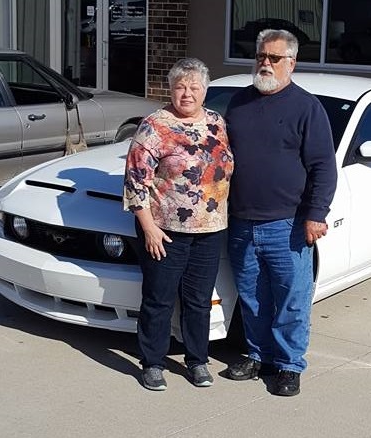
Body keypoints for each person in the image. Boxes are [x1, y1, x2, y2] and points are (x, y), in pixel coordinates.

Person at [224, 29, 337, 396]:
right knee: (254, 297)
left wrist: (316, 214)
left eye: (274, 58)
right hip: (240, 221)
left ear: (291, 63)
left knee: (292, 298)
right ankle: (259, 355)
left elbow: (323, 167)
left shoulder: (307, 108)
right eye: (260, 56)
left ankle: (289, 365)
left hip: (287, 224)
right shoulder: (238, 104)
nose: (265, 64)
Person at [123, 58, 233, 391]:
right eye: (180, 86)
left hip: (210, 229)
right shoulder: (155, 126)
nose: (187, 93)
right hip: (165, 231)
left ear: (205, 90)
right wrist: (148, 227)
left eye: (194, 87)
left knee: (199, 300)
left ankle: (197, 361)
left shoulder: (216, 121)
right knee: (159, 298)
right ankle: (152, 363)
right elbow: (134, 180)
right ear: (171, 89)